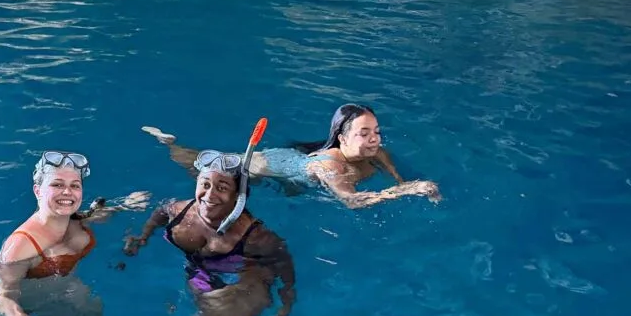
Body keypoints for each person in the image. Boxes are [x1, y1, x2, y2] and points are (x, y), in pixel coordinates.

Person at [123, 147, 296, 316]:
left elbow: (282, 261)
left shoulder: (255, 236)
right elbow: (160, 212)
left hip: (243, 279)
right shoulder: (180, 210)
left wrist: (287, 298)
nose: (209, 194)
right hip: (199, 274)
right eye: (205, 184)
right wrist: (143, 236)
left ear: (239, 196)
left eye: (222, 187)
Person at [0, 151, 149, 316]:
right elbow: (4, 299)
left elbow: (96, 216)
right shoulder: (22, 244)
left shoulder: (75, 220)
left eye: (75, 185)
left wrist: (125, 205)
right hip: (8, 308)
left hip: (59, 289)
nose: (67, 192)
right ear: (38, 191)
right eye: (57, 184)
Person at [141, 103, 441, 210]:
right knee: (206, 166)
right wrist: (403, 192)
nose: (374, 138)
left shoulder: (378, 152)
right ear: (342, 137)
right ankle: (168, 142)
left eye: (376, 130)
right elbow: (351, 202)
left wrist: (406, 185)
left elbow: (400, 179)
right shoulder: (330, 166)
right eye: (364, 133)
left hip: (298, 176)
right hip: (276, 165)